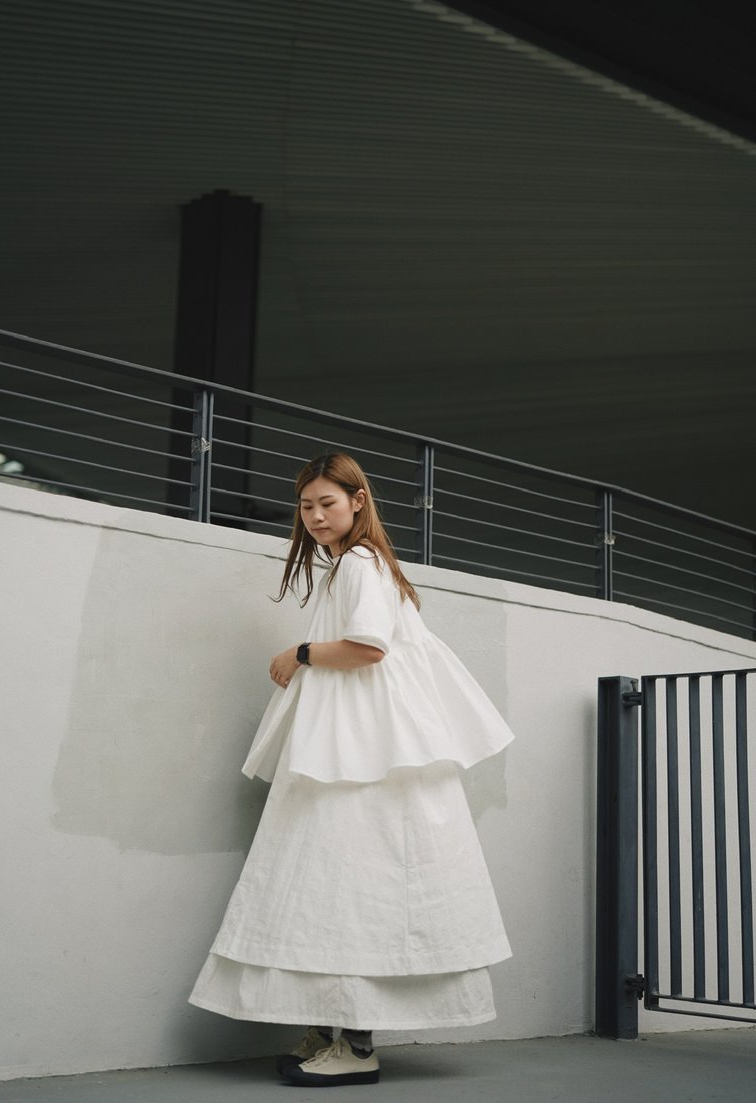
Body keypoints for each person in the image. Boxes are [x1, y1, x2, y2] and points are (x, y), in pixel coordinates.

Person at [189, 452, 514, 1087]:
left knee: (353, 878)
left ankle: (355, 1043)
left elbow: (368, 647)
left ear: (358, 501)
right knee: (346, 880)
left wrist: (299, 653)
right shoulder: (355, 565)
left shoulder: (361, 563)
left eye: (327, 504)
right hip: (365, 743)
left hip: (368, 750)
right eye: (306, 506)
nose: (314, 516)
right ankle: (333, 1027)